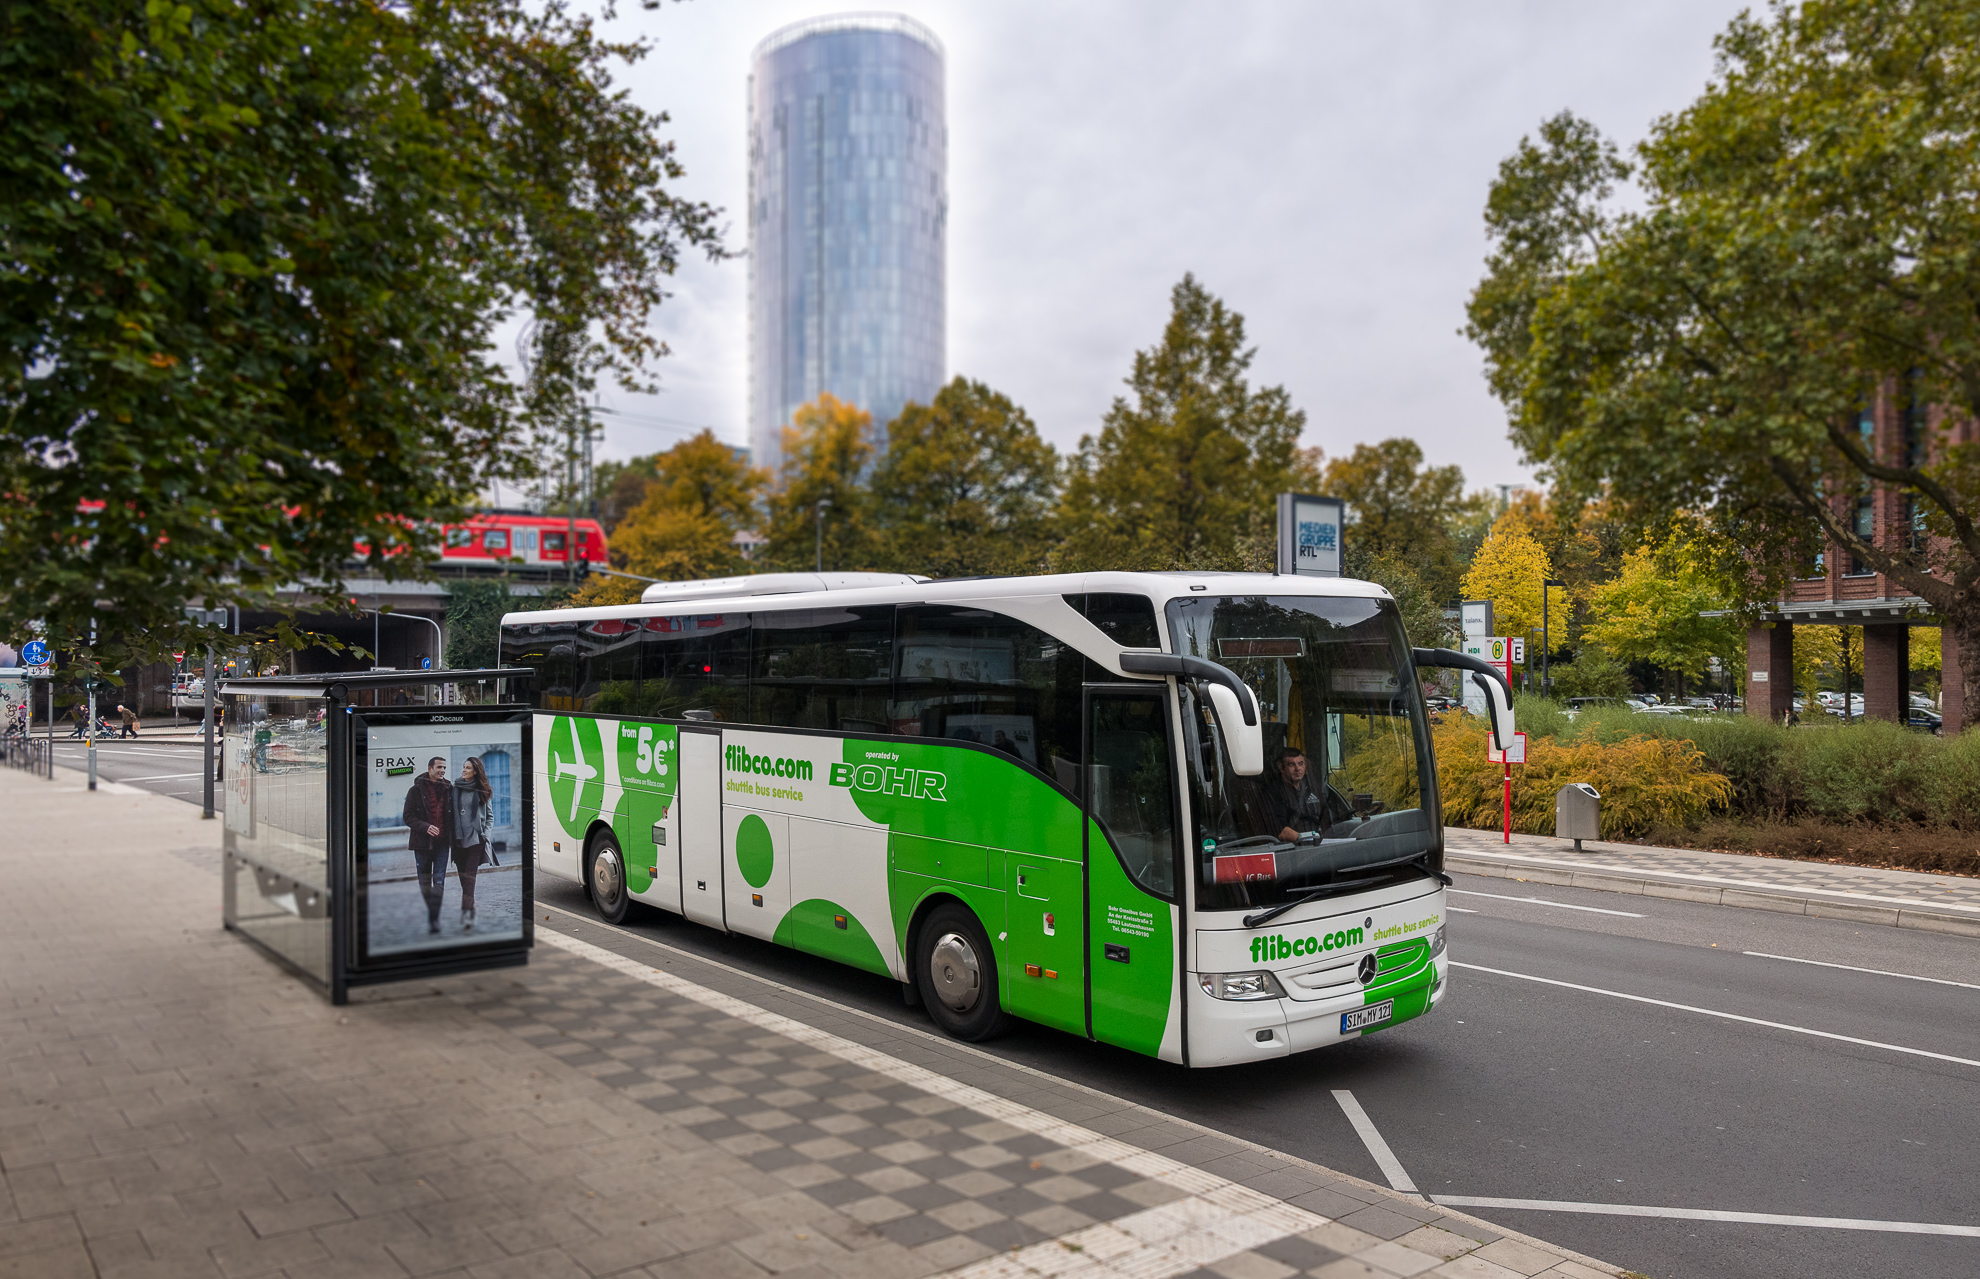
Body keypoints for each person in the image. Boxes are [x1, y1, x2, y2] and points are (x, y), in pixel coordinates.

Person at [400, 756, 454, 934]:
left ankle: (434, 919)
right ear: (430, 768)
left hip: (442, 845)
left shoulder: (449, 789)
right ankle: (432, 913)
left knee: (438, 882)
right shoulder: (415, 790)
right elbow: (408, 817)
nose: (442, 771)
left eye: (444, 768)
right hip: (421, 845)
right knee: (424, 884)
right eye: (439, 767)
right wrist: (425, 827)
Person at [1257, 746, 1352, 842]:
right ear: (1281, 767)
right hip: (1297, 846)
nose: (1298, 769)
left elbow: (1329, 818)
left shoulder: (1313, 786)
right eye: (1291, 765)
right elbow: (1281, 831)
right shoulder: (1272, 792)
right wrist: (1307, 841)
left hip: (1320, 842)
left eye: (1301, 764)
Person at [449, 757, 494, 932]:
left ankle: (466, 916)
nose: (464, 770)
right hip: (459, 841)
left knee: (469, 880)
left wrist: (485, 836)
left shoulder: (483, 790)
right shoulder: (455, 788)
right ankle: (471, 910)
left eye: (468, 768)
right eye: (463, 766)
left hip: (475, 841)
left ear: (475, 771)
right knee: (463, 880)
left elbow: (489, 817)